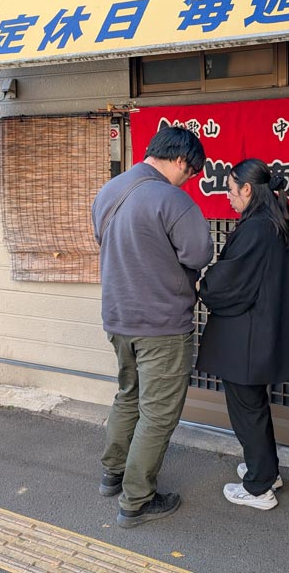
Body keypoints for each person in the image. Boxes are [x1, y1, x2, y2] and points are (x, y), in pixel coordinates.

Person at [91, 126, 213, 529]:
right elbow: (199, 252)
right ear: (180, 160)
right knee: (158, 414)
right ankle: (137, 499)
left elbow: (101, 240)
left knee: (129, 395)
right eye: (191, 171)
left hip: (118, 316)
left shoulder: (109, 191)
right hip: (161, 323)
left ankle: (113, 473)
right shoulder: (172, 199)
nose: (189, 179)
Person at [196, 158, 289, 510]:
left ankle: (259, 487)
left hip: (247, 336)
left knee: (247, 409)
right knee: (255, 406)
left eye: (231, 191)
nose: (228, 198)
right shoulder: (280, 223)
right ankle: (267, 469)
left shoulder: (256, 228)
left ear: (247, 189)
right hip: (268, 329)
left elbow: (231, 281)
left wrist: (204, 284)